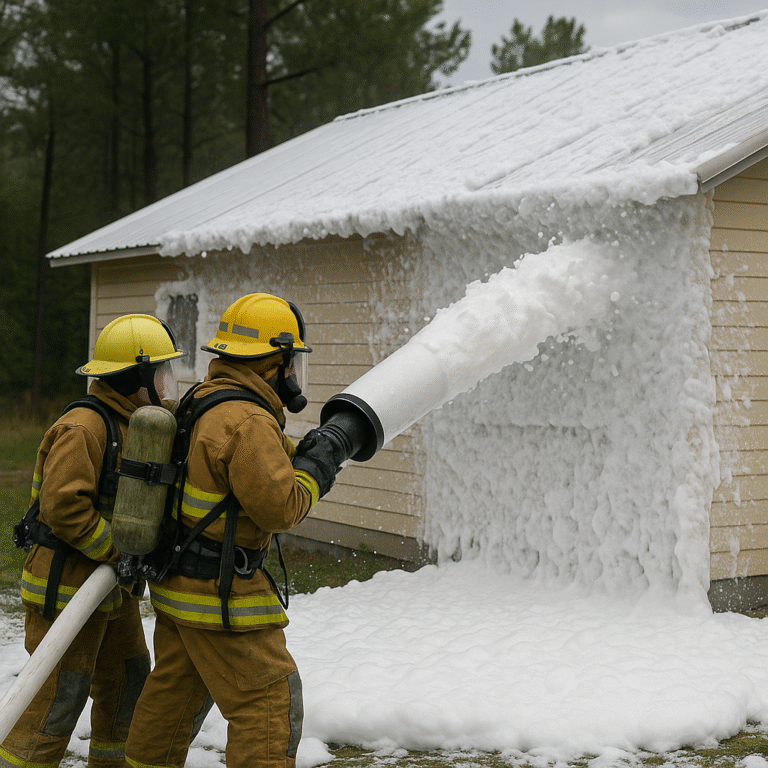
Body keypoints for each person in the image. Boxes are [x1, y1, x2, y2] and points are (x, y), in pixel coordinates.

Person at [124, 293, 346, 768]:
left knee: (173, 699)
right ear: (274, 361)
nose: (294, 374)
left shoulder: (204, 400)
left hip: (180, 588)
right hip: (221, 597)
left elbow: (241, 463)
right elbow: (281, 507)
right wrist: (316, 472)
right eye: (292, 362)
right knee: (268, 704)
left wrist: (303, 448)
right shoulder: (247, 420)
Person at [0, 314, 185, 768]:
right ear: (134, 377)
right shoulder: (86, 426)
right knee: (59, 696)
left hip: (108, 591)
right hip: (67, 590)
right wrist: (117, 551)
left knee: (128, 683)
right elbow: (64, 506)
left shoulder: (132, 424)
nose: (166, 383)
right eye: (160, 373)